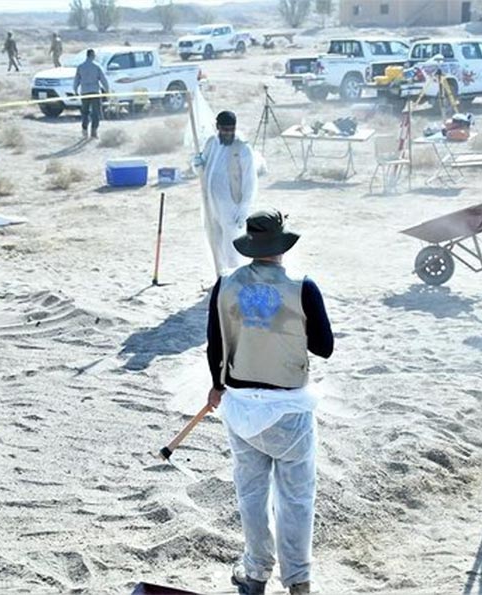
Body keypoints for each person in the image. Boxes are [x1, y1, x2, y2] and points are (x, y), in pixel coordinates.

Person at [206, 209, 334, 595]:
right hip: (289, 409)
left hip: (241, 404)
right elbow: (324, 347)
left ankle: (256, 573)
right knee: (296, 497)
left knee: (251, 494)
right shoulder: (302, 286)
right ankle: (298, 580)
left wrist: (215, 385)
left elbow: (215, 345)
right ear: (281, 244)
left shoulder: (225, 284)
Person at [194, 110, 257, 277]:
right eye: (225, 129)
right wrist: (197, 164)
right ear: (218, 128)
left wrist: (244, 208)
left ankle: (235, 278)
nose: (228, 133)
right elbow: (202, 168)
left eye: (231, 129)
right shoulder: (211, 143)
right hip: (210, 203)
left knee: (232, 243)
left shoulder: (242, 148)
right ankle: (220, 276)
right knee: (214, 240)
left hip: (232, 205)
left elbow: (250, 181)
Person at [72, 48, 109, 139]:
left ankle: (84, 131)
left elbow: (76, 80)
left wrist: (75, 90)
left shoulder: (80, 67)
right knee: (95, 113)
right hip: (95, 92)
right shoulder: (97, 66)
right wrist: (107, 90)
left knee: (85, 112)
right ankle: (94, 132)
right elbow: (103, 80)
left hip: (84, 92)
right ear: (92, 56)